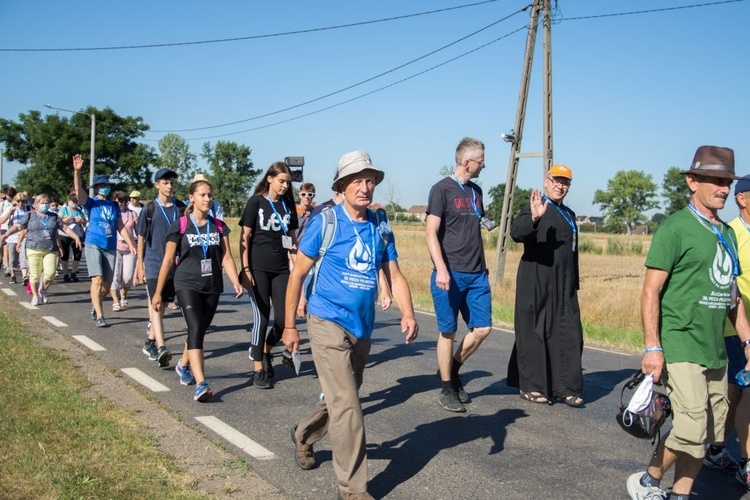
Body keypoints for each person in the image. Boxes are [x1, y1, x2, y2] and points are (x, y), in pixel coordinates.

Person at [283, 150, 418, 500]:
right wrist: (289, 326)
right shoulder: (325, 222)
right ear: (342, 186)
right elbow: (297, 274)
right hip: (326, 319)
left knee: (344, 395)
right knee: (347, 403)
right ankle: (353, 488)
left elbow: (394, 273)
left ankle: (303, 433)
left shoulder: (379, 226)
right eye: (357, 180)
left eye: (369, 179)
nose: (365, 186)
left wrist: (408, 312)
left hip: (362, 327)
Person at [627, 146, 750, 500]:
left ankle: (680, 494)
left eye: (727, 182)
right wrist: (653, 346)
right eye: (716, 180)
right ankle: (648, 480)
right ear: (692, 181)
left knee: (709, 432)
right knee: (692, 429)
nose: (724, 189)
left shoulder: (726, 233)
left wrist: (747, 341)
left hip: (715, 349)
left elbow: (733, 299)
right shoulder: (675, 229)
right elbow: (651, 291)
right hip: (681, 343)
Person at [151, 178, 243, 402]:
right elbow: (166, 261)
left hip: (211, 285)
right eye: (202, 195)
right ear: (192, 197)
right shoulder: (181, 225)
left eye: (210, 195)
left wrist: (235, 281)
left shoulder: (219, 226)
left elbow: (227, 258)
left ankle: (183, 365)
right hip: (186, 284)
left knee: (200, 329)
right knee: (194, 326)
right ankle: (201, 383)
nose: (207, 199)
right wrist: (158, 292)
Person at [425, 137, 493, 413]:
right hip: (450, 274)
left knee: (483, 328)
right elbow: (431, 233)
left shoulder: (476, 192)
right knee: (448, 332)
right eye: (481, 161)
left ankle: (452, 370)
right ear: (467, 162)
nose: (484, 165)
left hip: (477, 274)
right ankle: (446, 389)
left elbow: (477, 226)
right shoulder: (440, 190)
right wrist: (441, 268)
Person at [507, 164, 584, 407]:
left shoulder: (569, 214)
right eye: (557, 181)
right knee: (535, 332)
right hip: (536, 280)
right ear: (546, 181)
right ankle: (532, 386)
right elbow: (517, 233)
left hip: (564, 284)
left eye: (565, 183)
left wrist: (574, 283)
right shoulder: (534, 206)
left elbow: (572, 252)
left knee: (568, 332)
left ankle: (565, 387)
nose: (560, 186)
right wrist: (534, 217)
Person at [702, 174, 750, 488]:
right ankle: (746, 462)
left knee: (736, 390)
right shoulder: (730, 233)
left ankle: (717, 448)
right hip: (733, 328)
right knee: (746, 389)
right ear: (742, 199)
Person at [239, 162, 299, 389]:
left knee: (285, 321)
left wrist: (298, 268)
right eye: (281, 181)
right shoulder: (256, 202)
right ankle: (258, 368)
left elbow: (292, 241)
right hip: (257, 267)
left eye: (287, 182)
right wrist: (245, 270)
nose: (284, 186)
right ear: (270, 179)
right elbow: (244, 238)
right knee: (262, 317)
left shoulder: (288, 206)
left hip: (281, 268)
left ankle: (265, 350)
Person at [72, 153, 137, 328]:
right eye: (101, 186)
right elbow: (79, 192)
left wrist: (131, 243)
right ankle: (100, 316)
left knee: (107, 287)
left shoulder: (114, 205)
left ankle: (95, 304)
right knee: (97, 279)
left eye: (106, 185)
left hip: (110, 246)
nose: (105, 188)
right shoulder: (91, 203)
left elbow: (120, 226)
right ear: (96, 188)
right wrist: (77, 172)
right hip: (94, 243)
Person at [134, 168, 186, 368]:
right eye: (165, 182)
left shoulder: (181, 208)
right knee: (156, 303)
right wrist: (140, 265)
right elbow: (141, 238)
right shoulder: (149, 210)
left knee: (163, 304)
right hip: (154, 262)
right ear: (157, 185)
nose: (169, 185)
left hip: (175, 265)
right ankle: (162, 347)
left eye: (172, 182)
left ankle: (150, 341)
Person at [0, 193, 81, 305]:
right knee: (34, 274)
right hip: (33, 248)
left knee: (50, 273)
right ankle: (35, 296)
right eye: (42, 203)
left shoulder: (54, 216)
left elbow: (65, 228)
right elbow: (18, 226)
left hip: (50, 249)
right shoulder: (29, 215)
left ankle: (42, 289)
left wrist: (76, 237)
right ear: (36, 205)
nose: (45, 205)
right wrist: (7, 234)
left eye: (46, 203)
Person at [110, 191, 138, 311]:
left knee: (127, 277)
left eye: (121, 201)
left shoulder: (132, 213)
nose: (119, 204)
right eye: (117, 201)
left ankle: (124, 292)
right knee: (115, 276)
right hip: (114, 247)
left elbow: (138, 230)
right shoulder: (111, 213)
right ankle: (115, 301)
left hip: (129, 247)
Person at [58, 194, 86, 282]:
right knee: (65, 255)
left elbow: (85, 222)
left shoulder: (79, 210)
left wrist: (81, 220)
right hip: (65, 234)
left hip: (77, 234)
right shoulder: (64, 209)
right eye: (72, 201)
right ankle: (65, 274)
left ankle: (73, 272)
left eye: (76, 202)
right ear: (69, 201)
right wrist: (66, 220)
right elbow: (58, 221)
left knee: (77, 254)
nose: (74, 203)